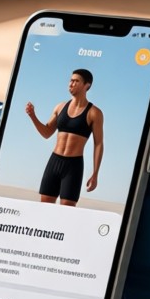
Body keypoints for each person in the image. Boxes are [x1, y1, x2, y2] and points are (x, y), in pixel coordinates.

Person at [25, 69, 104, 207]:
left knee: (67, 212)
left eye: (76, 81)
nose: (71, 84)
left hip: (73, 166)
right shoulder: (60, 107)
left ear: (87, 85)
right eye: (71, 80)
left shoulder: (94, 113)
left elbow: (98, 144)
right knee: (43, 208)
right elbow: (47, 133)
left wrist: (95, 173)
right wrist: (33, 116)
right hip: (54, 162)